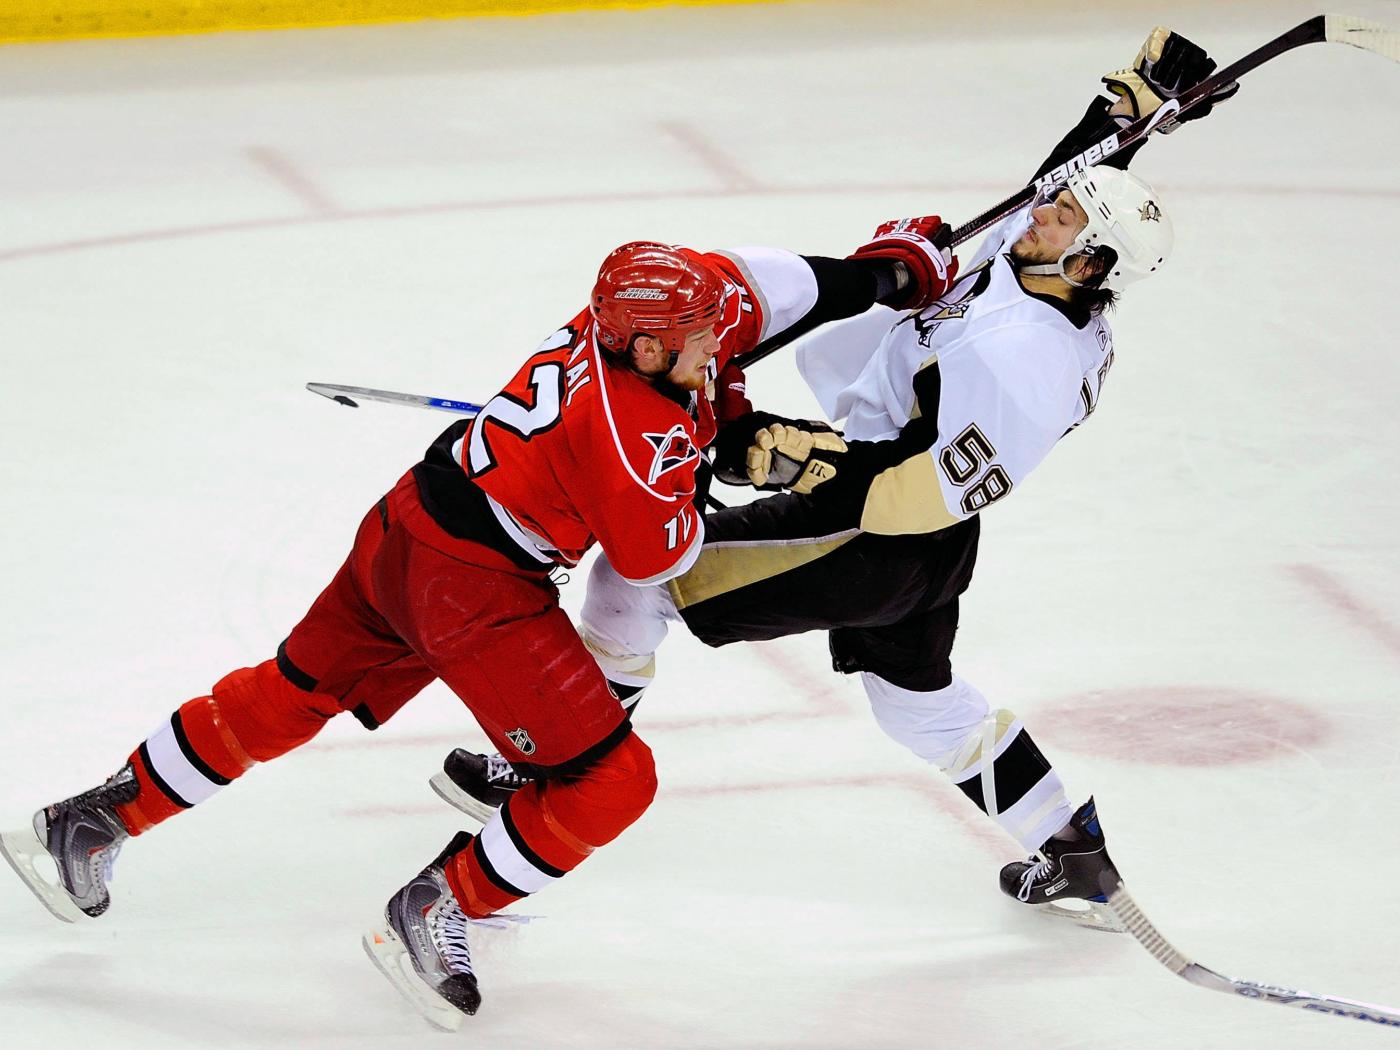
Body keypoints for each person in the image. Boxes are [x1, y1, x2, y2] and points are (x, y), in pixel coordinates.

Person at [0, 213, 959, 1026]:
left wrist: (885, 275)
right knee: (613, 781)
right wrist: (735, 454)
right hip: (475, 588)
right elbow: (659, 557)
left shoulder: (650, 317)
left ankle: (90, 819)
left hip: (410, 520)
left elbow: (771, 288)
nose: (720, 342)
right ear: (646, 349)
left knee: (294, 691)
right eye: (702, 338)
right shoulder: (631, 432)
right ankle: (436, 905)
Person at [432, 26, 1235, 933]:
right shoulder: (1050, 272)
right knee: (918, 705)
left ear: (1090, 264)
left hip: (880, 536)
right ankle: (1069, 846)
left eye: (1067, 221)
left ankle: (554, 757)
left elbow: (917, 493)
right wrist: (1123, 119)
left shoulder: (1029, 364)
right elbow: (1050, 191)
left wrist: (792, 457)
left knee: (640, 577)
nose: (1045, 215)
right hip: (921, 544)